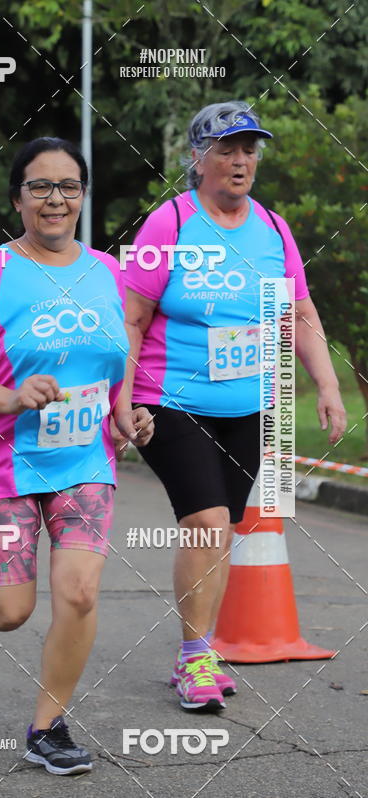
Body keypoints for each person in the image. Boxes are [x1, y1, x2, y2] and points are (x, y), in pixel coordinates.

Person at [0, 137, 153, 774]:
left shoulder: (108, 272)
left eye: (69, 186)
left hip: (84, 461)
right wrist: (8, 396)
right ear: (17, 199)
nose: (56, 199)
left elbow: (118, 357)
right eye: (40, 187)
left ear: (83, 196)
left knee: (79, 594)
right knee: (12, 607)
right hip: (4, 462)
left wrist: (124, 412)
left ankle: (47, 729)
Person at [121, 101, 346, 712]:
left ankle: (202, 648)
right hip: (170, 400)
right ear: (198, 158)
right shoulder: (168, 223)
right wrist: (122, 400)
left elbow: (299, 313)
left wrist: (325, 385)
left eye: (250, 148)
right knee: (207, 522)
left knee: (223, 530)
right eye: (227, 148)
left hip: (249, 405)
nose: (241, 160)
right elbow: (131, 319)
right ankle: (194, 656)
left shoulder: (273, 229)